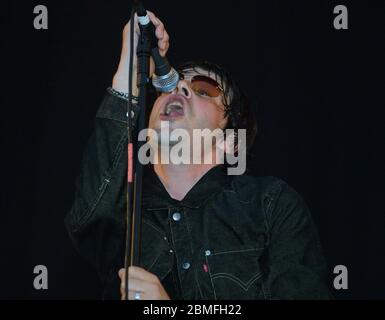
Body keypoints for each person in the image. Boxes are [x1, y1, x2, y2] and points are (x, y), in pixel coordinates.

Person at [65, 11, 331, 300]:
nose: (179, 87)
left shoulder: (270, 205)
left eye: (204, 89)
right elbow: (89, 217)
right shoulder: (124, 208)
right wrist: (131, 68)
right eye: (168, 83)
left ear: (230, 141)